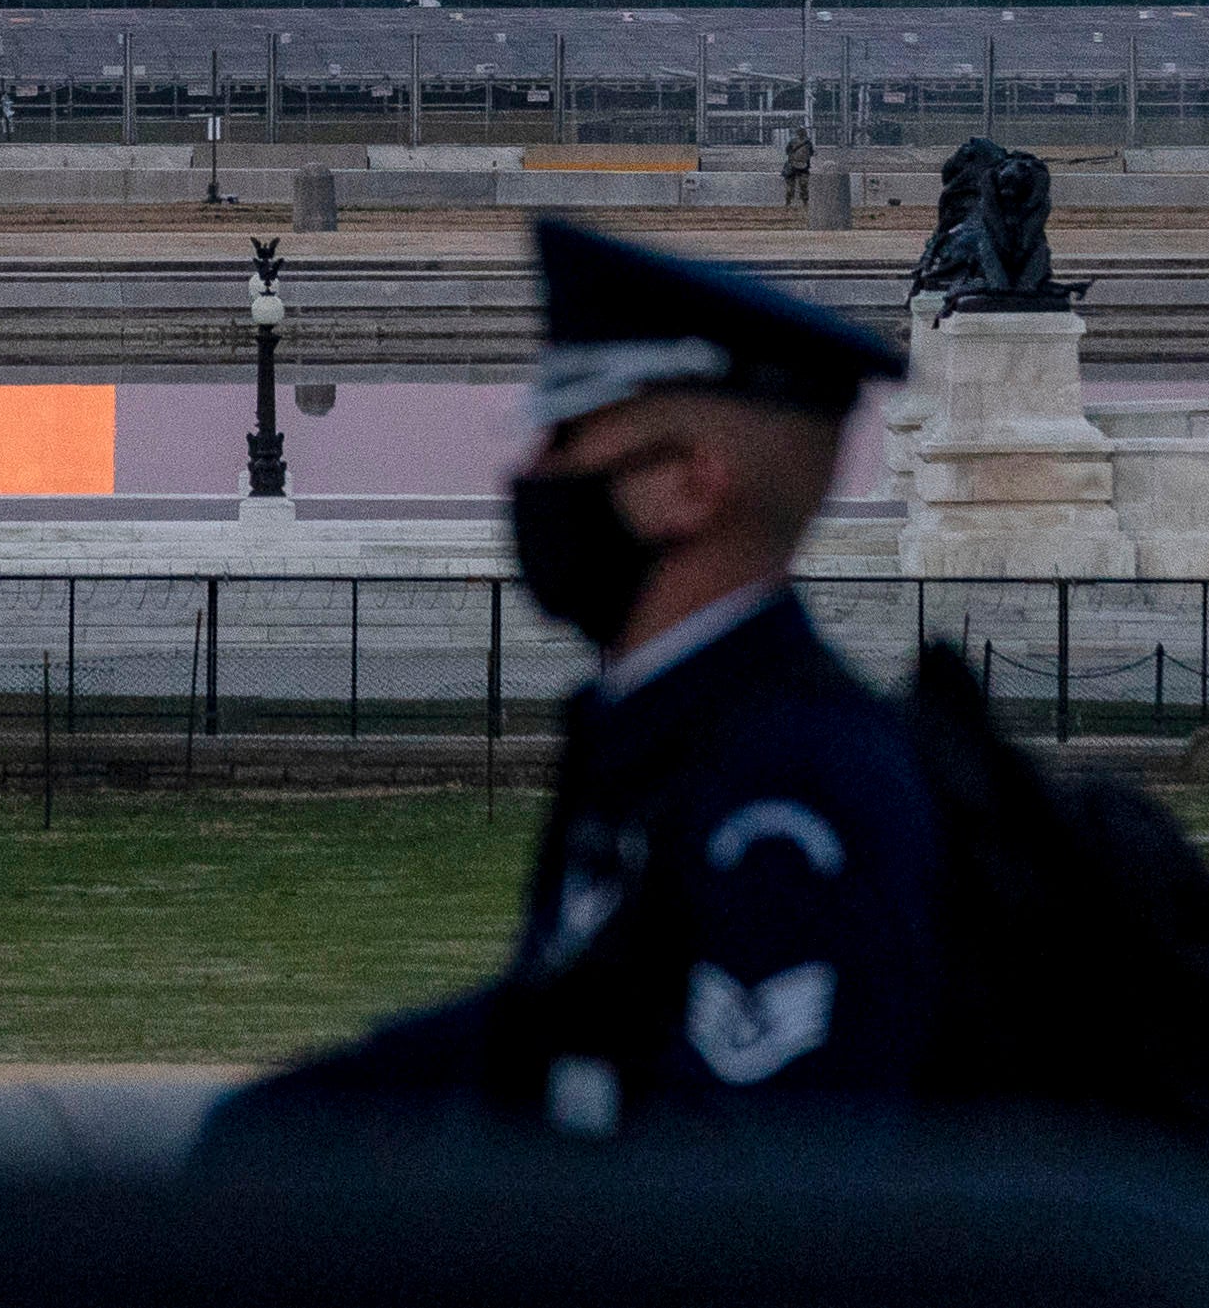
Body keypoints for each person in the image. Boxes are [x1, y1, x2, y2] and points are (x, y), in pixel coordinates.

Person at [207, 218, 930, 1144]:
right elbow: (554, 1022)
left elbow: (748, 1201)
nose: (534, 475)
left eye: (567, 439)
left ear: (688, 485)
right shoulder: (665, 733)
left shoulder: (790, 795)